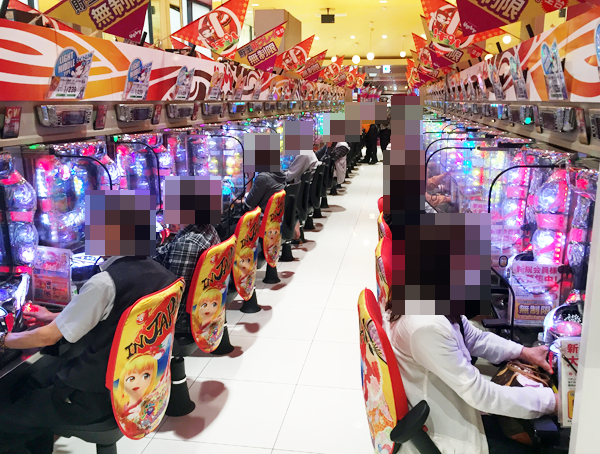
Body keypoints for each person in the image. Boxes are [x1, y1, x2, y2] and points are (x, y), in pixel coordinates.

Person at [0, 255, 178, 454]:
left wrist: (4, 339)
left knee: (6, 422)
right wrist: (54, 317)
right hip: (134, 389)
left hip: (94, 399)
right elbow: (114, 314)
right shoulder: (161, 273)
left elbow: (47, 338)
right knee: (30, 384)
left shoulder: (105, 283)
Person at [384, 314, 558, 454]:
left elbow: (474, 337)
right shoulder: (427, 326)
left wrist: (524, 352)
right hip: (449, 433)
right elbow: (481, 395)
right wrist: (553, 402)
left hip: (459, 408)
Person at [153, 223, 220, 335]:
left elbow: (176, 296)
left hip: (183, 321)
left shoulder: (187, 243)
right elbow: (164, 251)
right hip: (203, 308)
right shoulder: (207, 229)